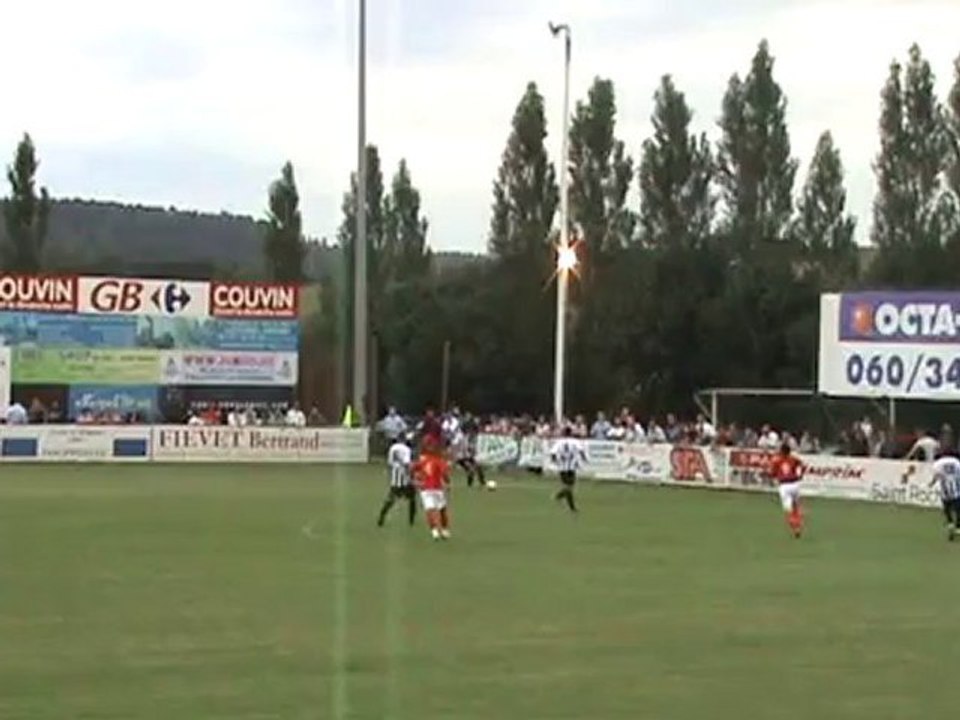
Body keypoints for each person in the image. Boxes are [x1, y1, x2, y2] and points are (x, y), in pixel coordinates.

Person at [412, 437, 452, 540]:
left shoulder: (423, 460)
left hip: (425, 489)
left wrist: (415, 479)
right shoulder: (439, 461)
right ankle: (444, 530)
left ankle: (434, 532)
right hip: (437, 488)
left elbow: (412, 468)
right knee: (442, 509)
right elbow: (445, 474)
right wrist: (448, 483)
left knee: (429, 510)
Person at [377, 433, 416, 528]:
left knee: (391, 498)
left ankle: (382, 516)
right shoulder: (407, 449)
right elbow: (407, 464)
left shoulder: (392, 448)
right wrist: (411, 476)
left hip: (395, 476)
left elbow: (390, 463)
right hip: (404, 477)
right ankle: (411, 520)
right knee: (412, 498)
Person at [769, 442, 804, 538]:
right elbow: (801, 465)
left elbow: (772, 473)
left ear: (781, 451)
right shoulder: (793, 459)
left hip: (784, 486)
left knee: (788, 509)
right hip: (795, 484)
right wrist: (800, 475)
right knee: (796, 506)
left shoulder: (776, 460)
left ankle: (795, 527)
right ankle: (798, 523)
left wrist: (774, 477)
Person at [550, 426, 586, 513]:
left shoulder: (559, 442)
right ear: (571, 433)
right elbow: (581, 451)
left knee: (568, 487)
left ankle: (559, 496)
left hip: (562, 467)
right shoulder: (575, 442)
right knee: (570, 487)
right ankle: (571, 507)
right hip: (572, 467)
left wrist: (555, 461)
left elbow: (553, 453)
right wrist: (584, 459)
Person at [928, 450, 960, 541]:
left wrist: (931, 483)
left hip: (945, 492)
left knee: (947, 510)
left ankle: (950, 524)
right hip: (957, 491)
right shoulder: (956, 462)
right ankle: (958, 527)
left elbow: (936, 476)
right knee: (958, 510)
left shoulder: (938, 463)